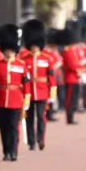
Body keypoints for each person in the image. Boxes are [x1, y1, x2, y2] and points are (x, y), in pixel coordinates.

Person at [0, 25, 28, 161]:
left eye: (11, 50)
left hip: (16, 100)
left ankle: (13, 151)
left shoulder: (21, 65)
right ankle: (6, 151)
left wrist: (27, 100)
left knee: (13, 127)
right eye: (7, 50)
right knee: (3, 128)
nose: (9, 52)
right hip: (0, 99)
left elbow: (26, 84)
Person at [21, 19, 55, 151]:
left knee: (41, 116)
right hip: (29, 92)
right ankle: (31, 142)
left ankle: (40, 138)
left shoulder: (46, 59)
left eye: (36, 44)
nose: (34, 46)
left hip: (42, 91)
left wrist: (52, 93)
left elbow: (51, 77)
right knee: (29, 118)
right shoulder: (24, 59)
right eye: (32, 44)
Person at [62, 23, 84, 125]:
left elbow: (78, 62)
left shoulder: (74, 50)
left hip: (75, 77)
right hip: (70, 78)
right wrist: (79, 71)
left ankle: (72, 116)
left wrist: (81, 70)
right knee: (70, 99)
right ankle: (69, 117)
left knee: (74, 99)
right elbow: (72, 65)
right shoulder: (68, 51)